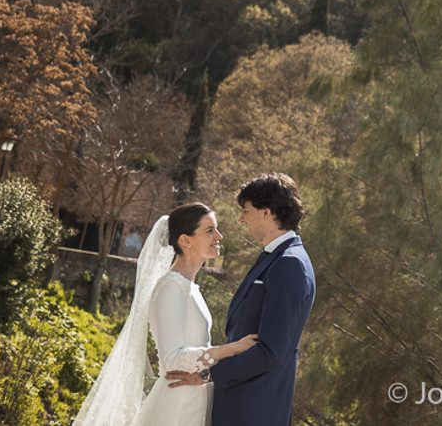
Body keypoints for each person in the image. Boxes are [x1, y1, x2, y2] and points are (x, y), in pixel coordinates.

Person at [73, 203, 257, 426]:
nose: (219, 236)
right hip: (178, 405)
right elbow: (172, 360)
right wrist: (232, 349)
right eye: (210, 230)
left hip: (195, 398)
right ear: (185, 240)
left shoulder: (188, 286)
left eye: (216, 229)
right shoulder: (171, 287)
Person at [167, 172, 315, 426]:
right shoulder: (276, 257)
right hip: (241, 404)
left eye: (246, 211)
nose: (241, 218)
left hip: (254, 409)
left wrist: (207, 375)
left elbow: (270, 352)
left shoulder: (289, 264)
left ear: (266, 213)